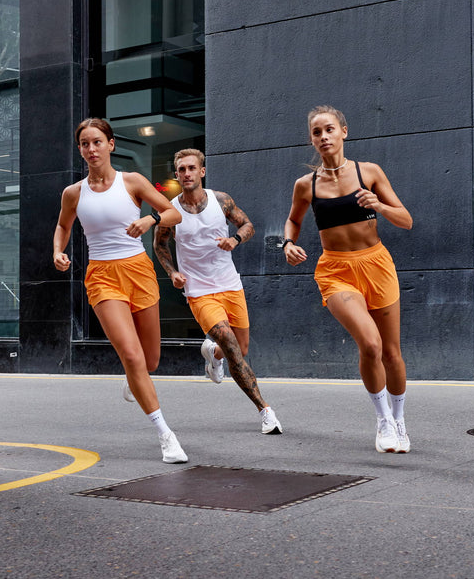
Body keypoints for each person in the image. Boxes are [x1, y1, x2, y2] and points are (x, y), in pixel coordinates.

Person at [52, 118, 189, 464]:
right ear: (80, 149)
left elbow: (173, 213)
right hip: (102, 276)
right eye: (84, 144)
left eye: (97, 142)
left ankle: (136, 379)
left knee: (150, 360)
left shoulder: (133, 182)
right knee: (131, 356)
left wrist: (149, 220)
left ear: (111, 145)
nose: (91, 149)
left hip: (139, 270)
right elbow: (63, 225)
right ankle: (165, 434)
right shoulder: (74, 193)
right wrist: (58, 250)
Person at [282, 105, 414, 453]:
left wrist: (380, 206)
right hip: (336, 271)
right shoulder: (305, 185)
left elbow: (406, 220)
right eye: (316, 132)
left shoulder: (368, 172)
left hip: (376, 264)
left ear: (344, 131)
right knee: (369, 344)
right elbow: (293, 221)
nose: (323, 137)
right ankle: (383, 419)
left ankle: (399, 421)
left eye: (329, 129)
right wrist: (288, 243)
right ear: (312, 139)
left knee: (391, 353)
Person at [152, 148, 283, 435]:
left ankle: (214, 354)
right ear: (176, 174)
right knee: (232, 344)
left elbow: (247, 224)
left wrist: (235, 240)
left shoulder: (221, 200)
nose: (186, 173)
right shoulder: (169, 211)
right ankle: (265, 410)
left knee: (240, 348)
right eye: (181, 169)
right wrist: (173, 272)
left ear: (202, 171)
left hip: (229, 284)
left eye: (191, 168)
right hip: (198, 290)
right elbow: (160, 244)